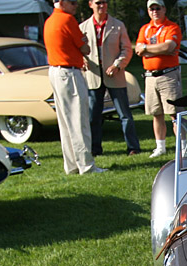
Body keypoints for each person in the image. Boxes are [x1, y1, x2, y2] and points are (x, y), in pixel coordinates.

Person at [44, 0, 103, 174]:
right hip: (69, 73)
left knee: (65, 122)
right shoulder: (67, 20)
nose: (76, 5)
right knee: (79, 120)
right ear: (61, 2)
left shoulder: (50, 21)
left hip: (55, 71)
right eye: (73, 2)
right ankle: (86, 165)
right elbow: (85, 48)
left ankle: (71, 165)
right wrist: (84, 41)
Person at [81, 0, 141, 157]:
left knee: (124, 114)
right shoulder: (83, 27)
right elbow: (78, 50)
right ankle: (95, 149)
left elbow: (127, 50)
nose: (102, 5)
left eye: (105, 2)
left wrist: (117, 65)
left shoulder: (118, 25)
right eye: (98, 2)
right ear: (90, 4)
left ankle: (133, 147)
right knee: (94, 116)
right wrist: (82, 61)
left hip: (115, 75)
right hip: (93, 76)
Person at [136, 0, 182, 158]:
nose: (155, 11)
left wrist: (146, 49)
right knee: (156, 113)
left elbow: (169, 47)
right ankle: (160, 147)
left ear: (164, 9)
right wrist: (157, 49)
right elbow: (137, 49)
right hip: (150, 76)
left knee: (174, 113)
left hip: (168, 75)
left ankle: (183, 147)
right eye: (152, 9)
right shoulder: (145, 29)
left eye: (158, 8)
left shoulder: (172, 27)